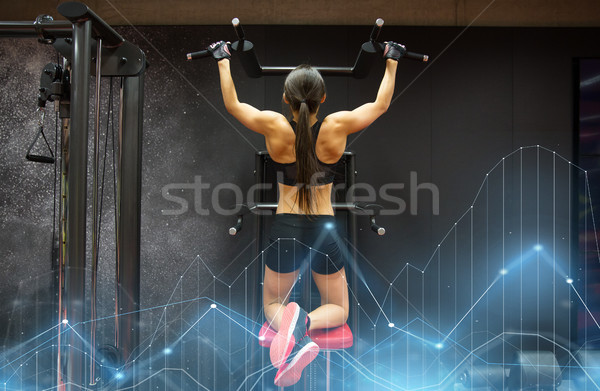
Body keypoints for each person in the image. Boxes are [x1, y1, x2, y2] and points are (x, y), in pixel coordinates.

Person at [209, 40, 404, 386]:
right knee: (339, 308)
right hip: (324, 229)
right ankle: (306, 324)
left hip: (285, 226)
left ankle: (291, 327)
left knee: (272, 303)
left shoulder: (273, 126)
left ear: (286, 99)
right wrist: (392, 60)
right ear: (323, 99)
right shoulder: (337, 127)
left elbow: (233, 104)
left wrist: (223, 59)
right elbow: (381, 104)